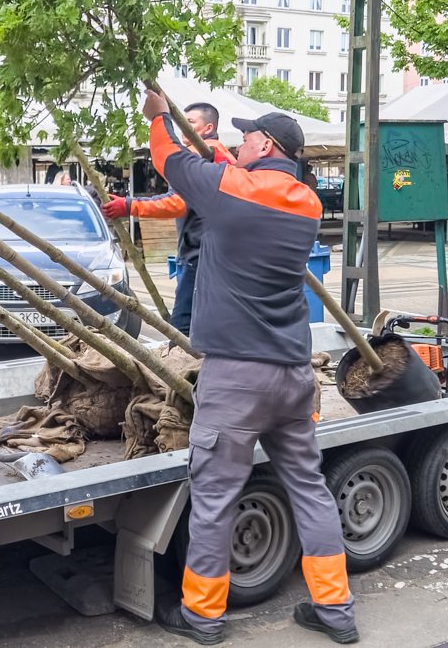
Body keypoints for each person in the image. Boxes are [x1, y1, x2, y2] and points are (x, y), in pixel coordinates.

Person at [140, 92, 358, 645]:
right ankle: (335, 610)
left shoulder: (231, 189)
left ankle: (204, 617)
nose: (238, 144)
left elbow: (168, 159)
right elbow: (229, 181)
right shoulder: (307, 202)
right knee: (310, 489)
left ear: (265, 144)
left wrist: (157, 116)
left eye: (245, 137)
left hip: (237, 377)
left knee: (214, 497)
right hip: (292, 372)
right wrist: (223, 161)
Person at [99, 103, 234, 336]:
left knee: (182, 330)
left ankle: (182, 370)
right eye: (182, 121)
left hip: (199, 256)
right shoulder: (224, 156)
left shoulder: (199, 155)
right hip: (222, 256)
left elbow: (177, 203)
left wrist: (128, 205)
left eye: (190, 123)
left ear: (208, 127)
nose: (184, 128)